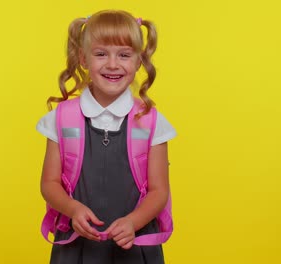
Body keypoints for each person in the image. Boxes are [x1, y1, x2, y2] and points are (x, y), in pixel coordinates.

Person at [36, 9, 177, 264]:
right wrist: (72, 209)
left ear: (138, 61)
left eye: (124, 55)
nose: (112, 64)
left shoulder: (152, 122)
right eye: (101, 54)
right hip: (76, 250)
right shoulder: (60, 119)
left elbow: (159, 191)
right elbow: (49, 183)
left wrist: (133, 222)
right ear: (83, 58)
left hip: (135, 248)